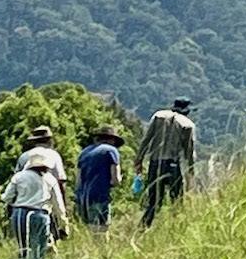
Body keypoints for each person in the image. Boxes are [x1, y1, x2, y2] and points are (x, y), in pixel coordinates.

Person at [2, 153, 68, 259]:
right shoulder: (50, 179)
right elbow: (58, 205)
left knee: (23, 248)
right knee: (39, 250)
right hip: (40, 214)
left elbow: (7, 197)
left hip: (20, 213)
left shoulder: (19, 176)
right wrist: (63, 223)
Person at [137, 97, 198, 228]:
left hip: (155, 163)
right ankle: (176, 226)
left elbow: (146, 139)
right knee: (176, 199)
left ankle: (143, 227)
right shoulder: (187, 124)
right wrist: (191, 170)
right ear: (187, 111)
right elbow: (189, 151)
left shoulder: (158, 116)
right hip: (172, 165)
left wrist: (139, 160)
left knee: (153, 201)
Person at [74, 126, 126, 232]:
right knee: (101, 232)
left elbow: (78, 181)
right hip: (100, 197)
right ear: (112, 140)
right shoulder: (111, 151)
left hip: (82, 198)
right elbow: (115, 180)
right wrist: (119, 179)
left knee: (87, 231)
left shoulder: (84, 152)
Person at [15, 126, 68, 194]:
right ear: (49, 141)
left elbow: (16, 180)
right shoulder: (54, 155)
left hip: (26, 196)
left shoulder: (24, 156)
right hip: (48, 196)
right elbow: (61, 180)